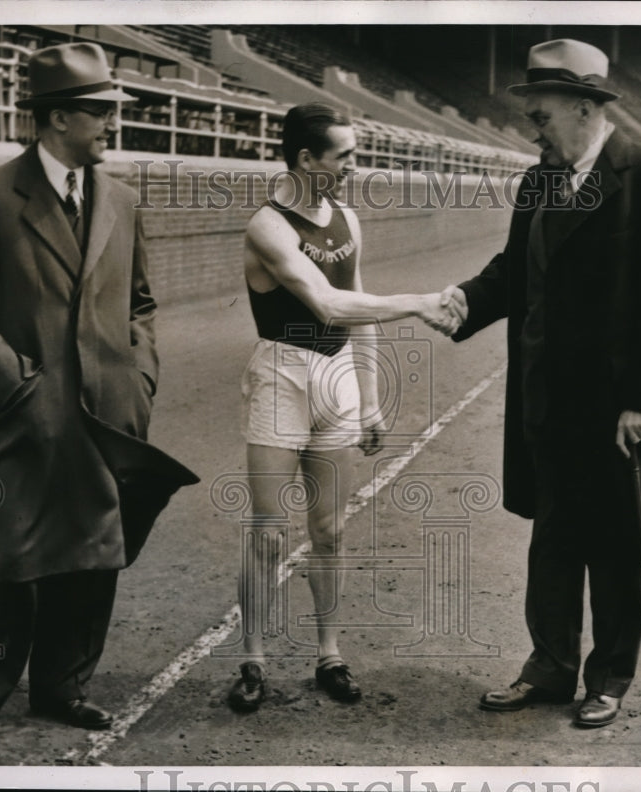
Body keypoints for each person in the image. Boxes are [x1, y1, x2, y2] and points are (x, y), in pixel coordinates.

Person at [0, 42, 197, 756]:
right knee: (10, 558)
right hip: (27, 415)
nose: (111, 124)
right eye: (100, 112)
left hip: (109, 414)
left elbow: (141, 304)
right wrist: (16, 379)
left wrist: (139, 378)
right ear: (54, 120)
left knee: (94, 553)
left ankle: (62, 685)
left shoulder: (123, 199)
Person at [440, 39, 641, 728]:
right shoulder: (540, 181)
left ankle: (609, 676)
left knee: (617, 546)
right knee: (553, 539)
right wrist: (462, 302)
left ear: (585, 108)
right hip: (548, 399)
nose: (534, 129)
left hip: (616, 410)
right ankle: (550, 666)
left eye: (543, 116)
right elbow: (512, 271)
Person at [229, 102, 462, 711]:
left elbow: (356, 316)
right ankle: (252, 657)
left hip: (335, 380)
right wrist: (416, 301)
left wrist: (369, 401)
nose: (354, 168)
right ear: (307, 159)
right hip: (281, 374)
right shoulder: (269, 226)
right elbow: (327, 305)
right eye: (345, 157)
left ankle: (329, 651)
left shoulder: (347, 219)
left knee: (329, 531)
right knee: (267, 534)